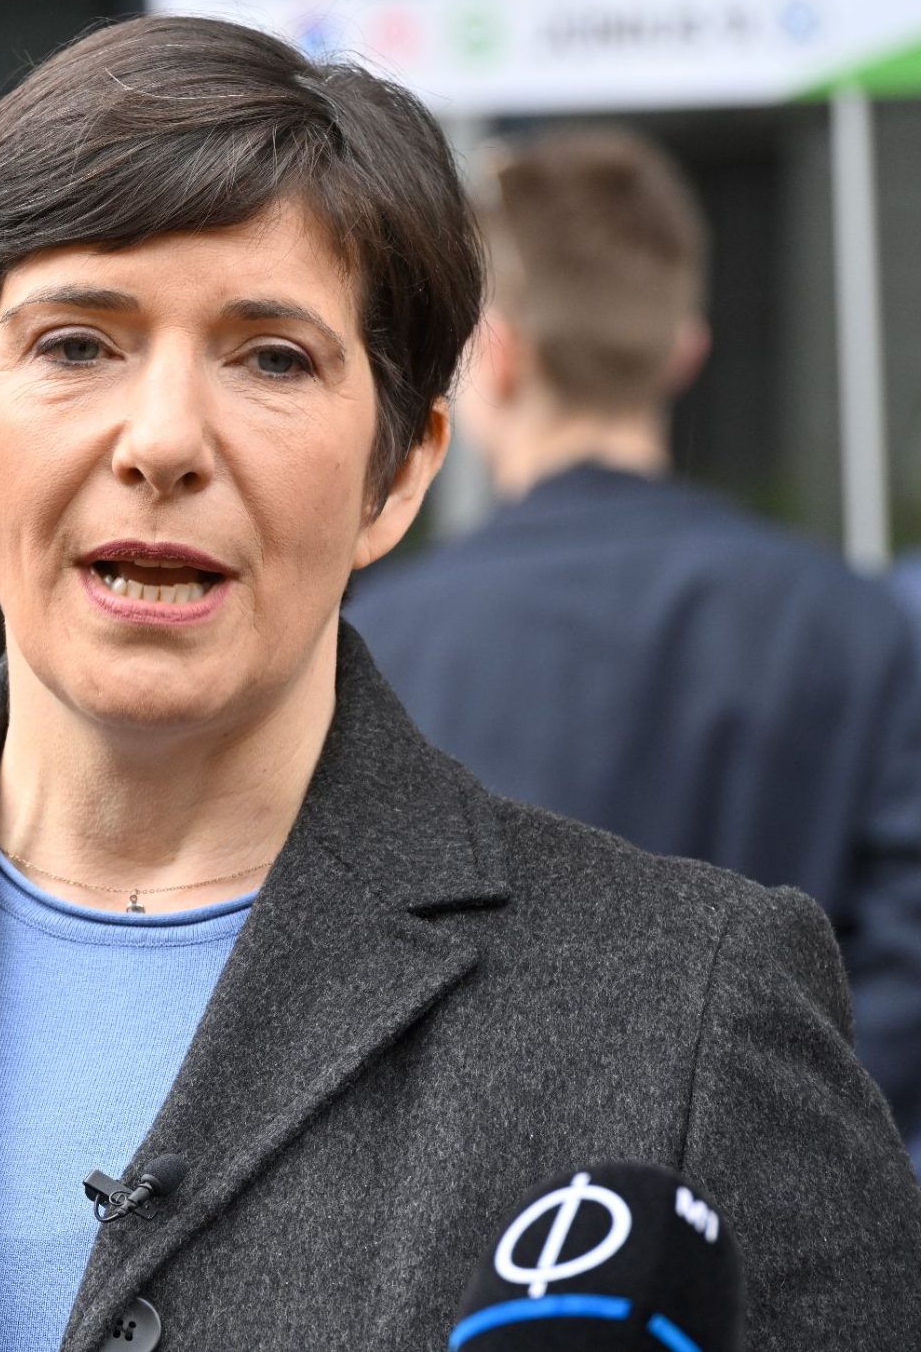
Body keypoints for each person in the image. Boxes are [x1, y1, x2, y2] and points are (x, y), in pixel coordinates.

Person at [0, 18, 921, 1351]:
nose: (161, 441)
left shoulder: (686, 1010)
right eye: (77, 343)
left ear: (400, 470)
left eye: (270, 359)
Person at [346, 126, 921, 1151]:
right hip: (775, 1198)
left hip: (482, 1213)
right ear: (683, 350)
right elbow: (901, 970)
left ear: (496, 358)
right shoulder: (855, 624)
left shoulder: (378, 645)